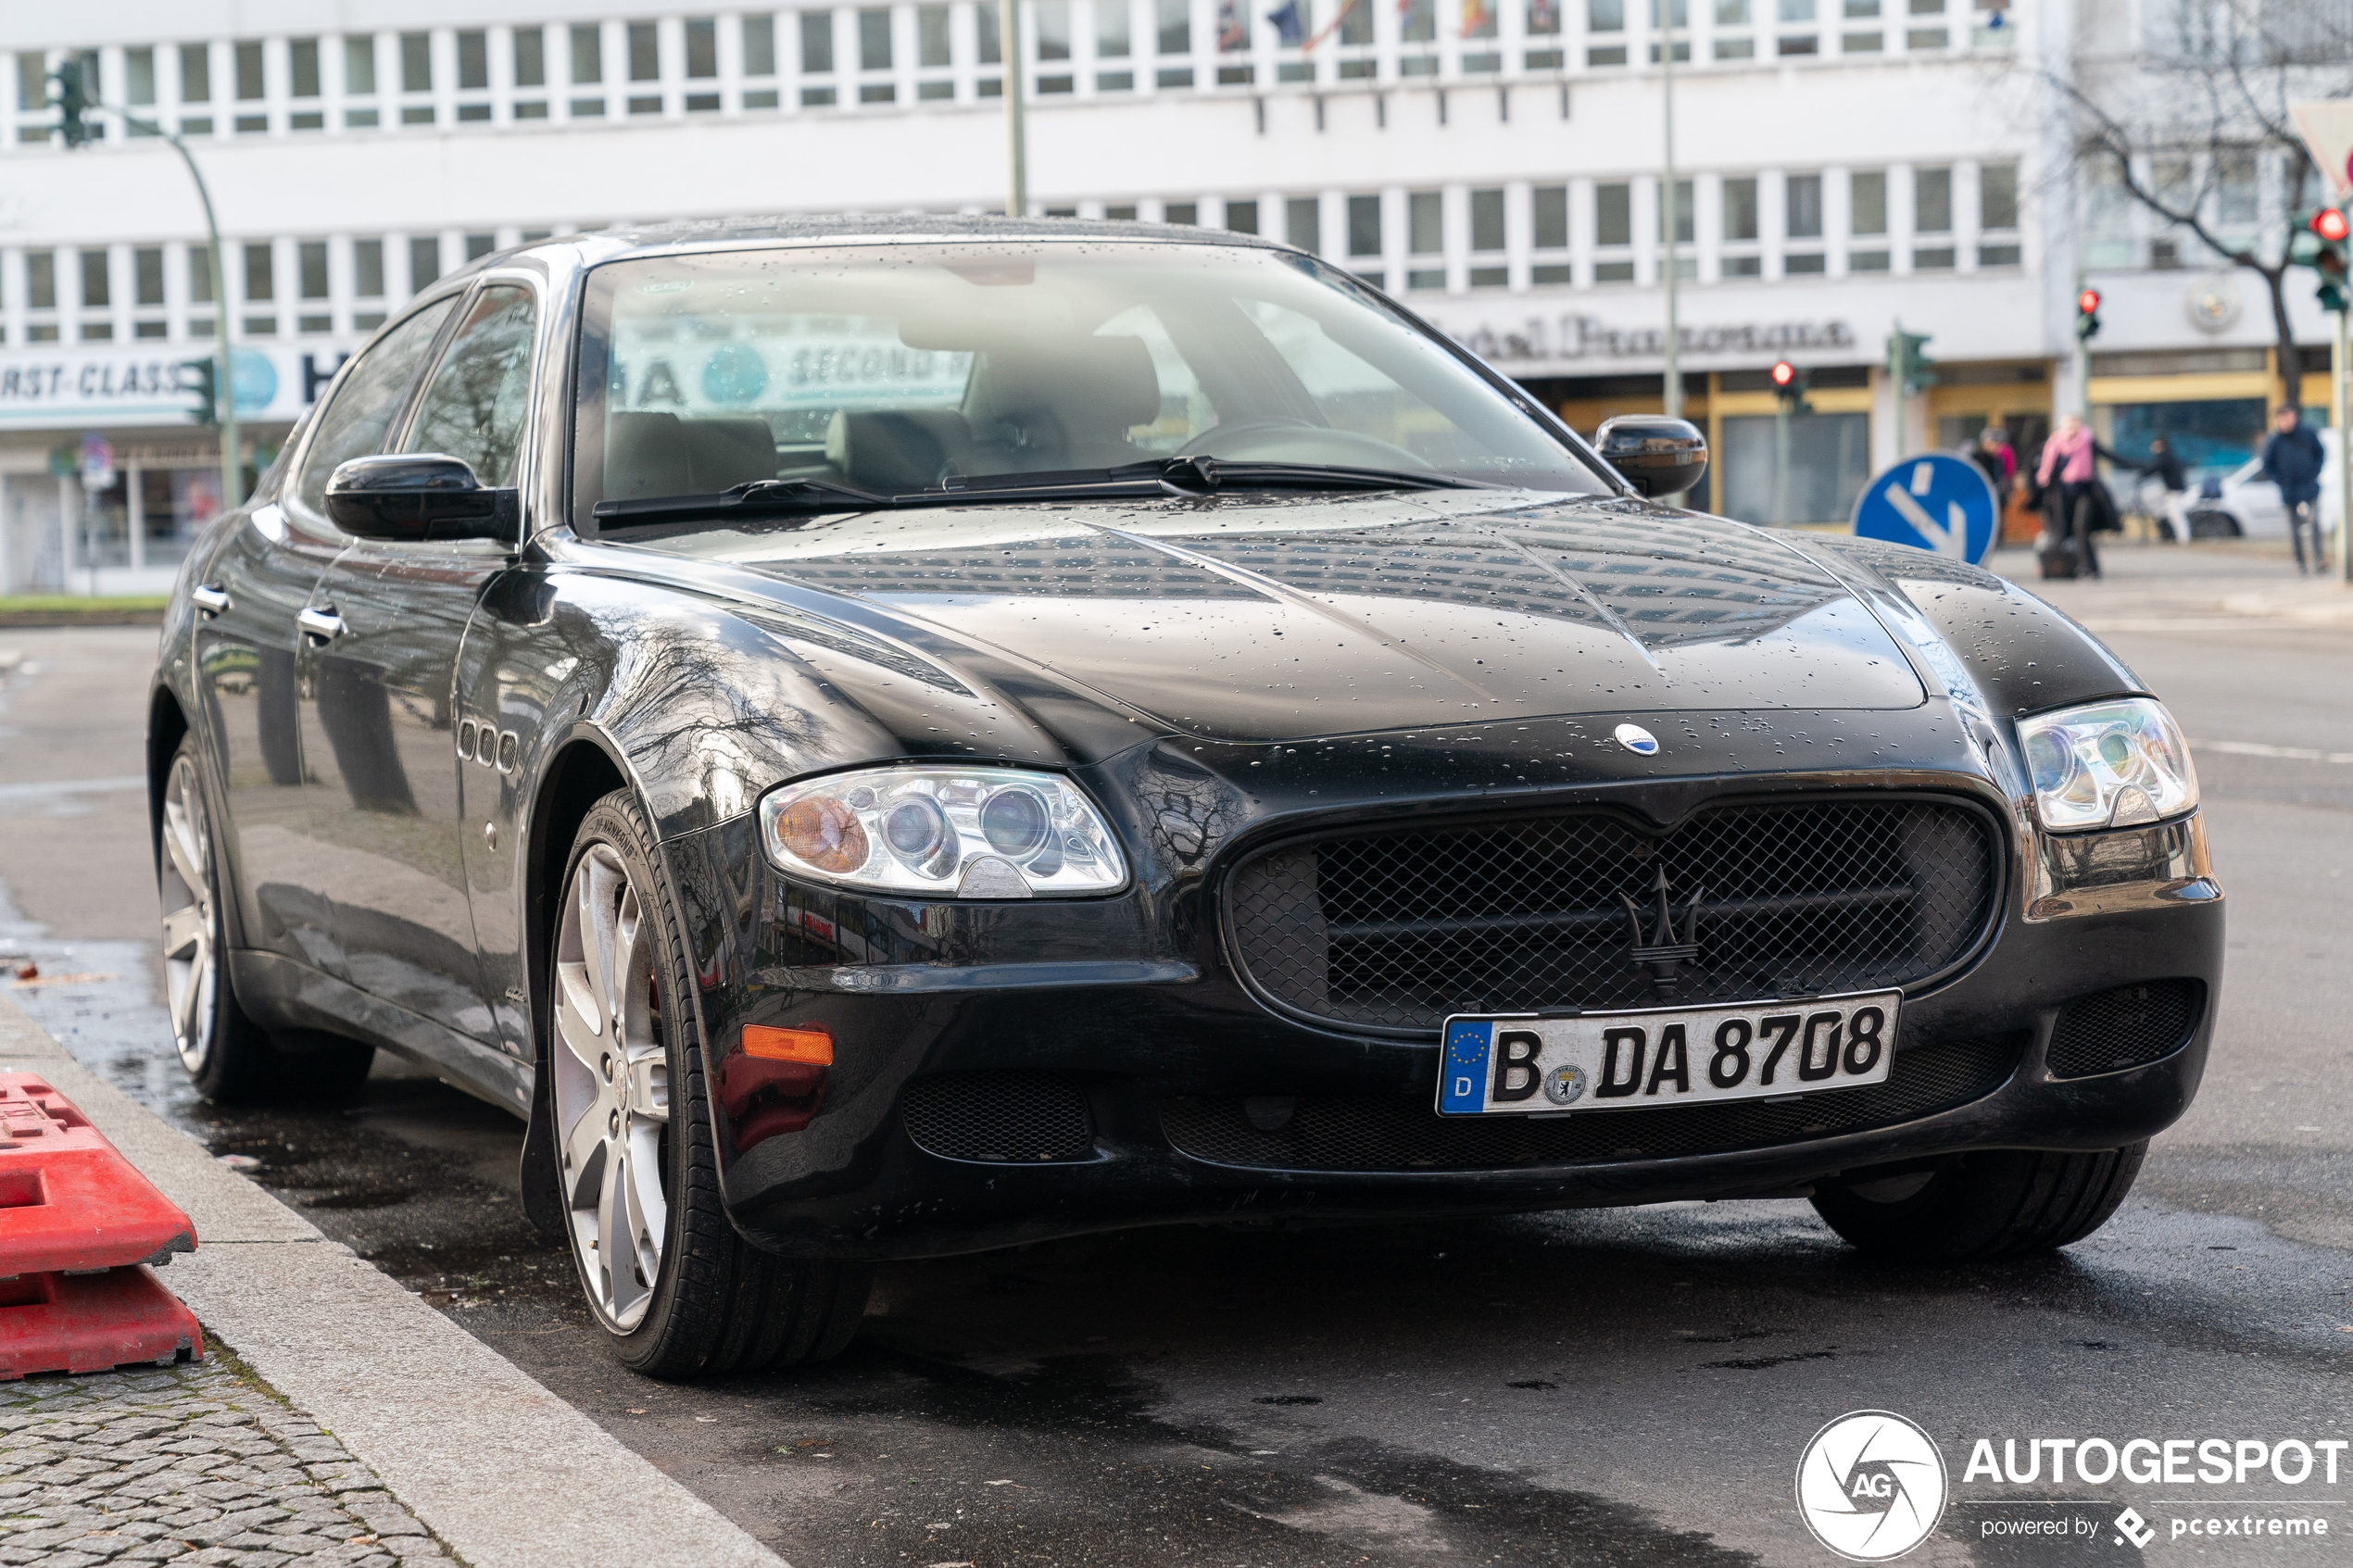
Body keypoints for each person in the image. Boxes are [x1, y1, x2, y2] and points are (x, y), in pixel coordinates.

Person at [2035, 413, 2122, 578]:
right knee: (2061, 530)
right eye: (2068, 425)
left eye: (2074, 424)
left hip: (2085, 491)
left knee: (2081, 528)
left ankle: (2090, 568)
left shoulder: (2088, 441)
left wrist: (2137, 465)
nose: (2071, 428)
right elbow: (2046, 468)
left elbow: (2109, 455)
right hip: (2062, 494)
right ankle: (2064, 567)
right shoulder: (2055, 443)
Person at [2258, 404, 2326, 574]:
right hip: (2289, 490)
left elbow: (2320, 453)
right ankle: (2300, 563)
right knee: (2294, 529)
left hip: (2309, 486)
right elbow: (2267, 465)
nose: (2285, 421)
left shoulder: (2307, 434)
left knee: (2314, 524)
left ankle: (2319, 560)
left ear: (2295, 417)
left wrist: (2313, 473)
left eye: (2287, 417)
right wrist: (2280, 480)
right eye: (2281, 418)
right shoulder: (2275, 440)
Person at [1969, 426, 2016, 494]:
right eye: (1990, 443)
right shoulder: (1977, 457)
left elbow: (2003, 475)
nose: (1994, 446)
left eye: (1996, 444)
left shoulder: (1997, 458)